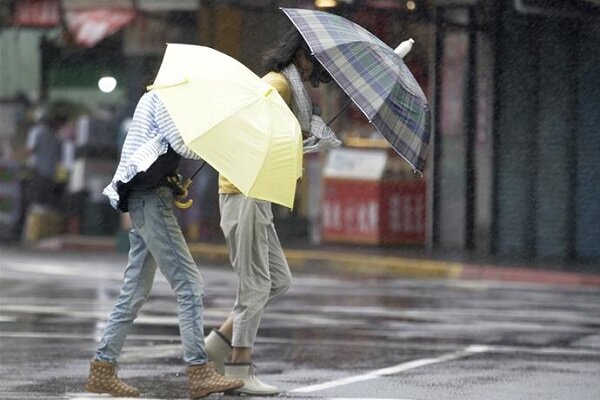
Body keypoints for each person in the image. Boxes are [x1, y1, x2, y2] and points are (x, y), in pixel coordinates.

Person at [204, 28, 341, 396]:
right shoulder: (277, 85)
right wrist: (303, 138)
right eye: (315, 61)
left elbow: (275, 138)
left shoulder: (287, 87)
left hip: (256, 192)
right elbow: (254, 133)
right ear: (300, 57)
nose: (317, 71)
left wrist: (307, 137)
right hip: (244, 189)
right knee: (255, 287)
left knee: (277, 281)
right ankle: (239, 368)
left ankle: (213, 350)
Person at [85, 91, 244, 398]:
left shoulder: (157, 99)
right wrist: (217, 138)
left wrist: (172, 184)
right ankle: (199, 372)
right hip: (150, 204)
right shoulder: (165, 98)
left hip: (149, 199)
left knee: (133, 292)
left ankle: (102, 369)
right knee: (189, 285)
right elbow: (183, 144)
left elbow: (158, 153)